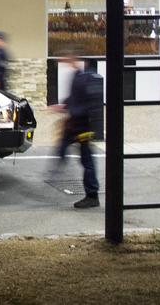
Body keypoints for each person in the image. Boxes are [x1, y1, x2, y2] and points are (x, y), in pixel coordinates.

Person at [51, 51, 101, 209]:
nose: (63, 60)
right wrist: (63, 106)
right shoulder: (77, 76)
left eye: (65, 58)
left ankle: (92, 195)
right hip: (75, 124)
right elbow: (74, 99)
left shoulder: (86, 78)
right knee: (64, 149)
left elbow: (85, 105)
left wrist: (70, 114)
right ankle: (56, 170)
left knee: (86, 160)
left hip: (82, 126)